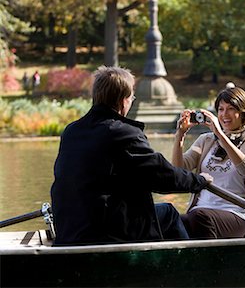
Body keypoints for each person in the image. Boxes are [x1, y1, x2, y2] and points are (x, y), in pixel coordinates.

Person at [51, 66, 213, 246]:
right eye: (131, 98)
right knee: (168, 213)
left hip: (68, 227)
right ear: (123, 100)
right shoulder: (123, 133)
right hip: (104, 230)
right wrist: (199, 181)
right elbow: (161, 176)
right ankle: (187, 268)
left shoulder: (72, 131)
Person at [172, 87, 245, 239]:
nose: (224, 115)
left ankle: (212, 260)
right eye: (221, 109)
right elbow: (179, 169)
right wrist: (180, 136)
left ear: (243, 113)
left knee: (199, 217)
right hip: (200, 212)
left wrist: (220, 134)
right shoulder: (206, 140)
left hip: (237, 215)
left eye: (230, 109)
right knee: (169, 219)